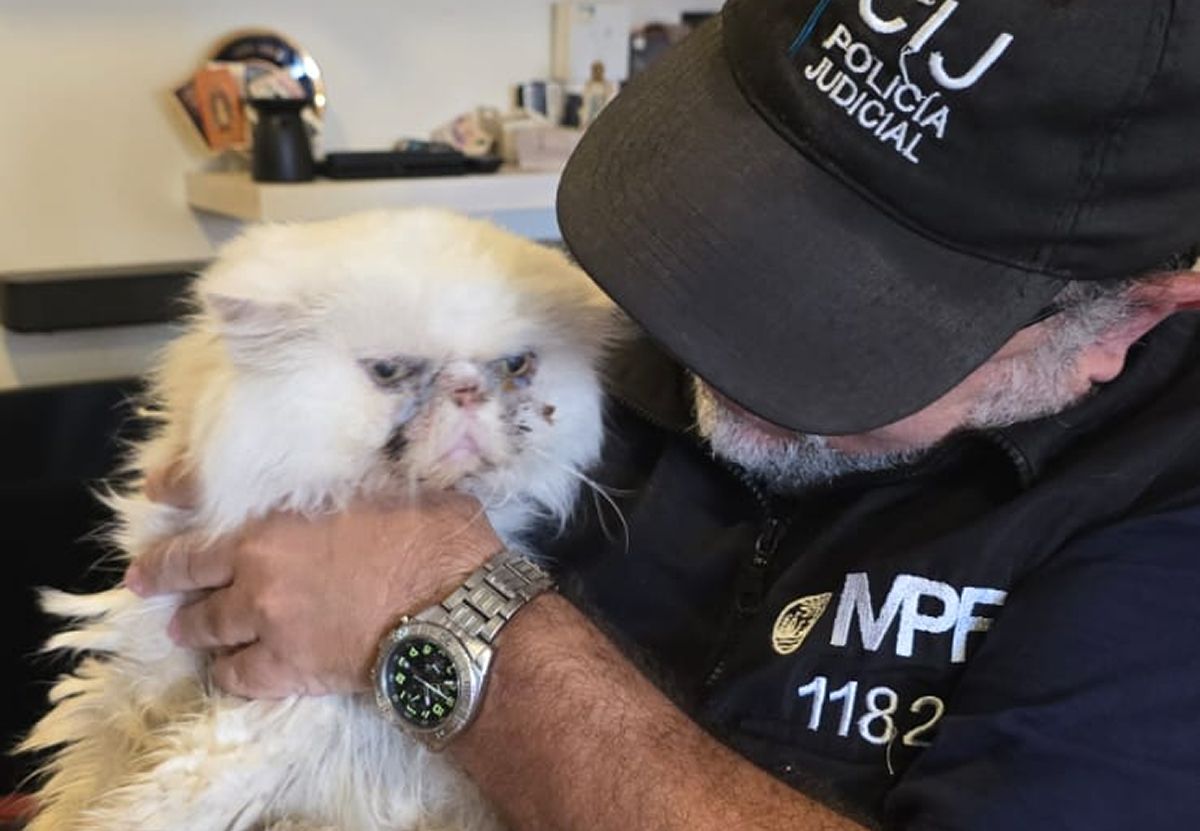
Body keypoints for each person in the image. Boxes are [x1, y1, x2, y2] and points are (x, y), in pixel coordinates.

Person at [126, 1, 1200, 828]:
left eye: (852, 313)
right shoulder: (591, 349)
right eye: (736, 222)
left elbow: (405, 593)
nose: (718, 343)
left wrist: (443, 615)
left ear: (1126, 317)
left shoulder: (1161, 523)